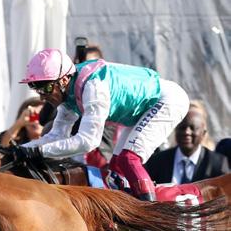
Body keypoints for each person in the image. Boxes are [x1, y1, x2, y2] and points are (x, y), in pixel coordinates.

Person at [17, 48, 190, 201]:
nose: (42, 96)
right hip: (145, 108)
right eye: (36, 88)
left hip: (167, 100)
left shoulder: (93, 87)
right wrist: (21, 149)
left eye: (46, 88)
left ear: (63, 81)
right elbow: (56, 136)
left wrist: (38, 151)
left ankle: (151, 217)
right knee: (116, 168)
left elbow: (88, 142)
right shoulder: (67, 92)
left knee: (128, 159)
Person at [145, 109, 229, 184]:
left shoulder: (218, 164)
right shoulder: (157, 161)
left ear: (203, 133)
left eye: (193, 128)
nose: (186, 132)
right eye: (182, 127)